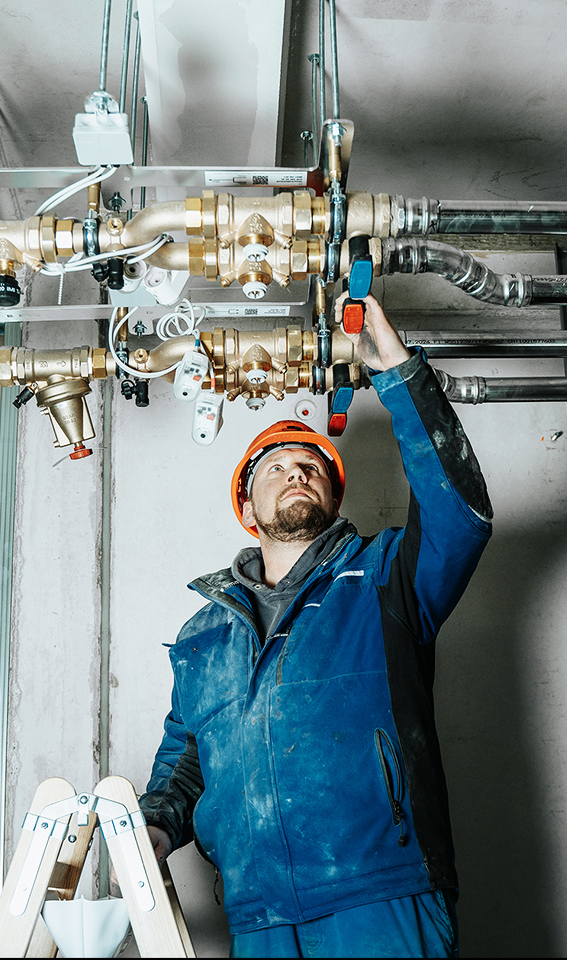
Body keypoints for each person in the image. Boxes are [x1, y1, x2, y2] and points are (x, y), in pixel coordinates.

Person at [136, 293, 493, 958]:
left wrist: (398, 371)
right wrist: (155, 826)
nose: (295, 473)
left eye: (311, 468)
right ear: (248, 506)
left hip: (381, 895)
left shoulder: (385, 576)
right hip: (259, 914)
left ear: (333, 496)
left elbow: (459, 515)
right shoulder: (202, 635)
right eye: (275, 468)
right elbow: (186, 763)